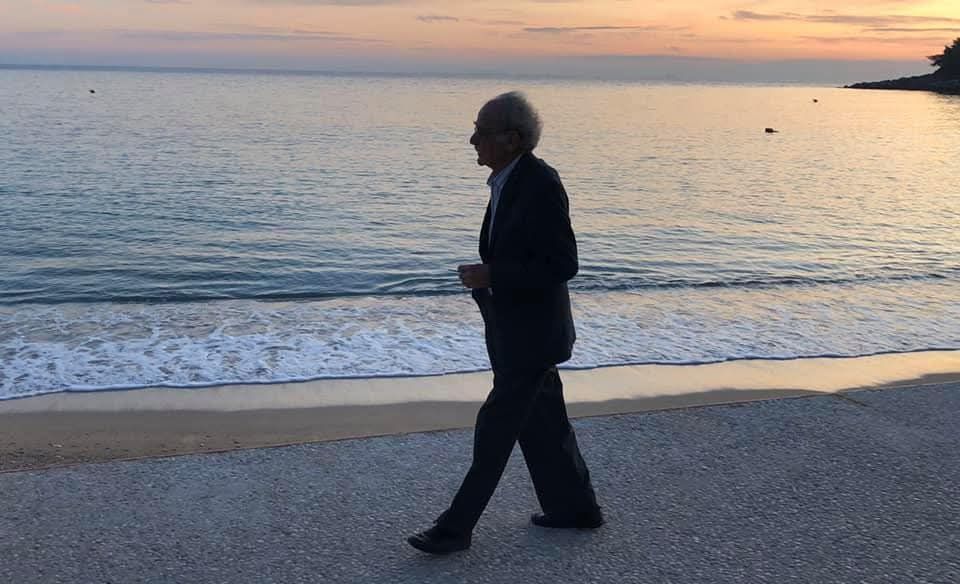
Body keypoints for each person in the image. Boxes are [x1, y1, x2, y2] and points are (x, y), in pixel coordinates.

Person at [408, 91, 602, 555]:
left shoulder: (539, 182)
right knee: (545, 425)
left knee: (495, 430)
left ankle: (455, 528)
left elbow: (563, 263)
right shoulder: (507, 180)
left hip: (533, 336)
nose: (472, 140)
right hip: (516, 330)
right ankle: (577, 509)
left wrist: (493, 275)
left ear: (512, 139)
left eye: (481, 131)